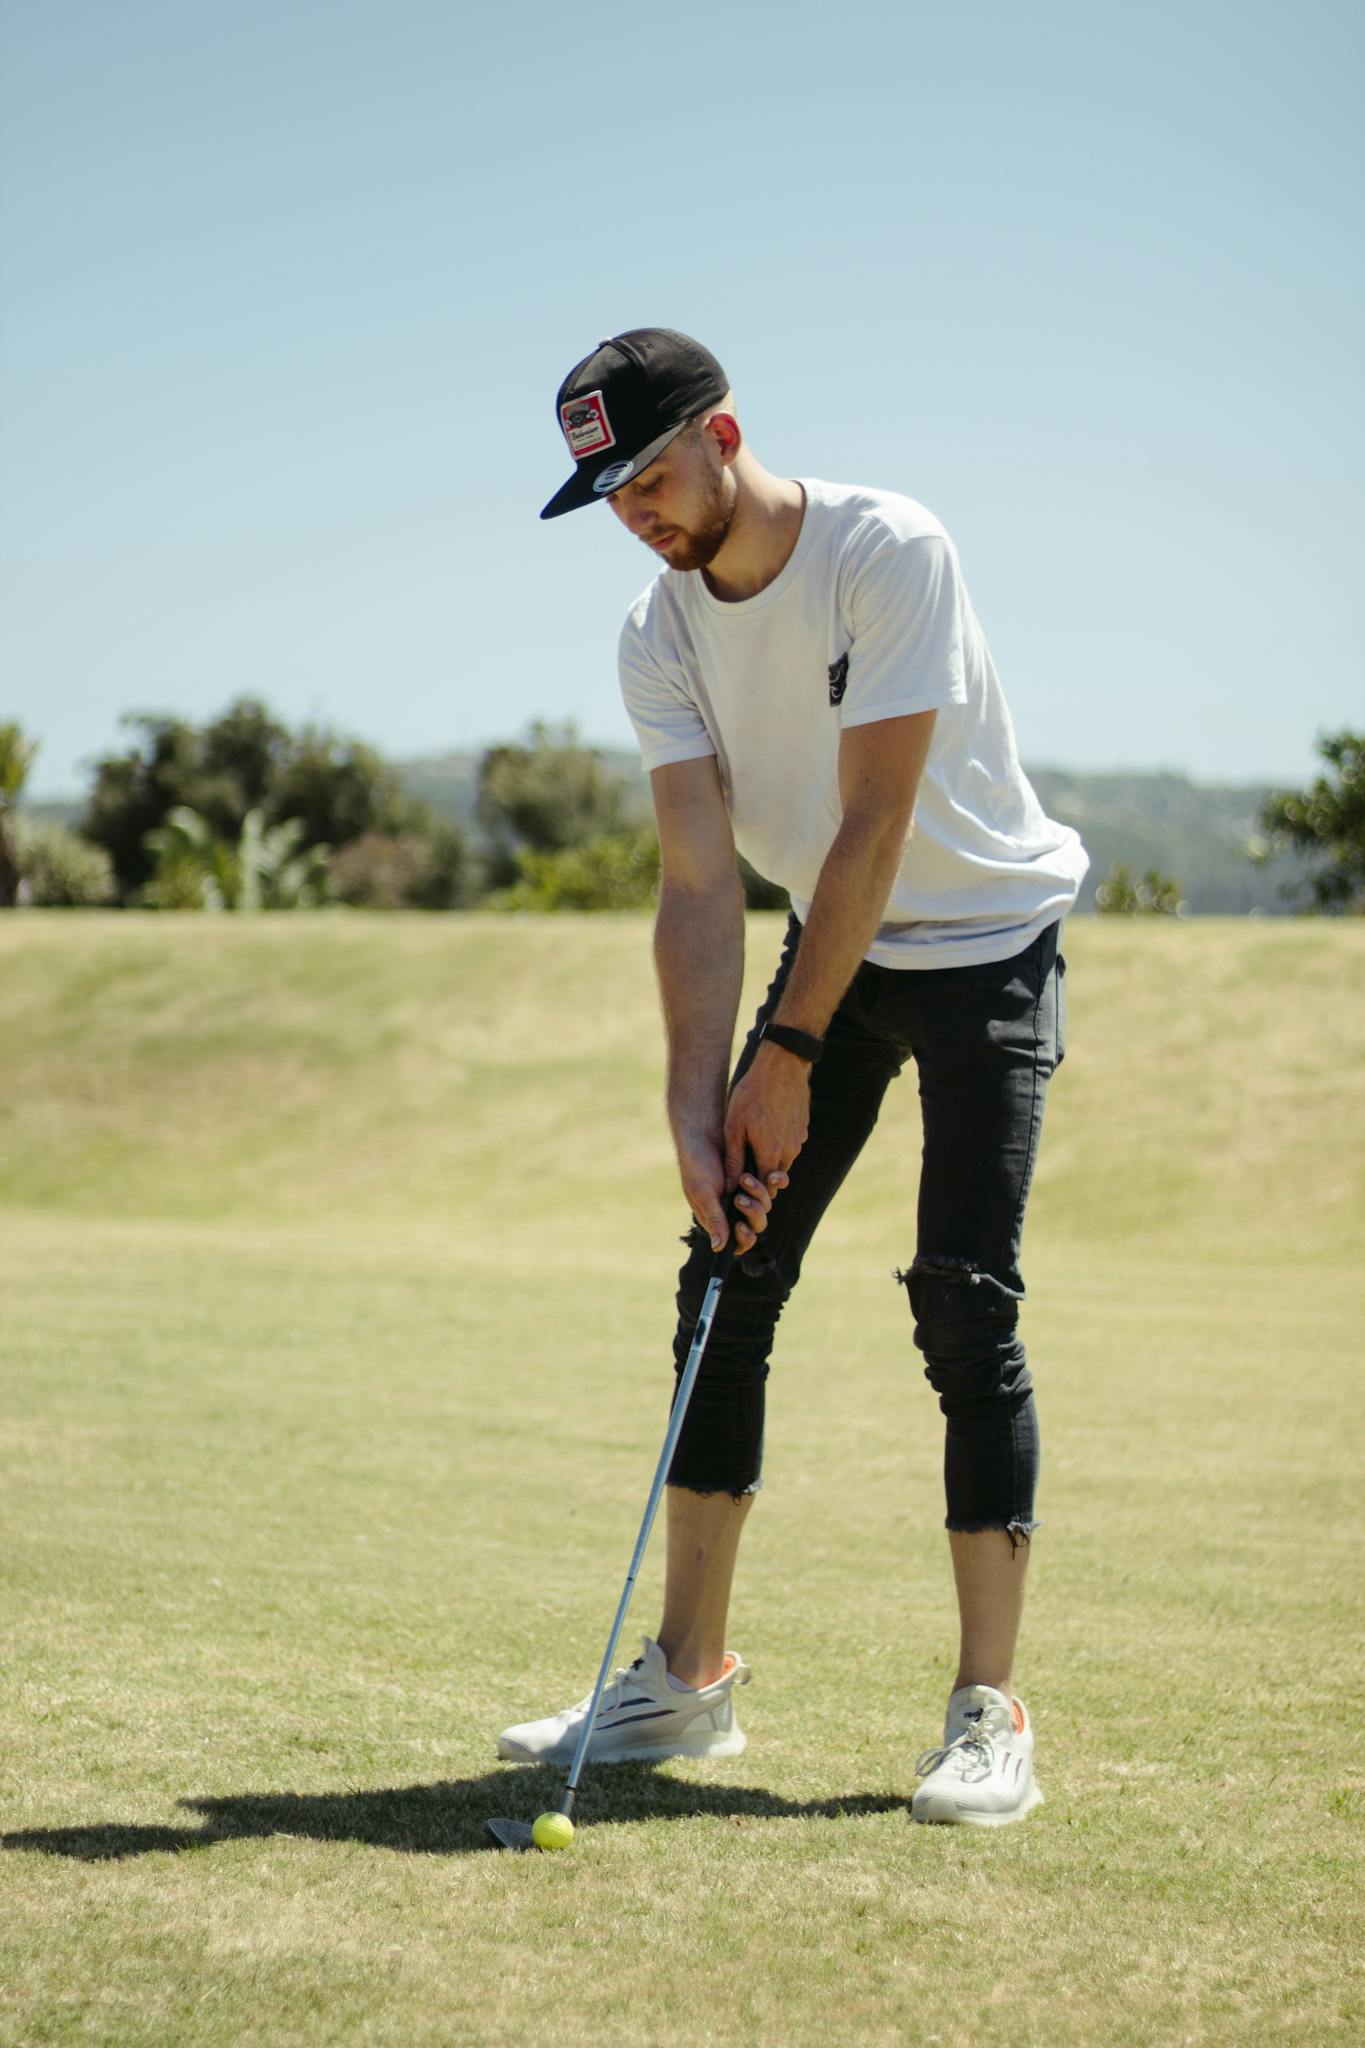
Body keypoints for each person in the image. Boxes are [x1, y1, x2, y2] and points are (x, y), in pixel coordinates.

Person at [498, 329, 1087, 1825]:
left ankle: (985, 1711)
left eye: (644, 470)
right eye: (605, 488)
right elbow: (698, 882)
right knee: (725, 1276)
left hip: (981, 946)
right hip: (836, 954)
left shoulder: (888, 549)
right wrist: (697, 1105)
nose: (631, 508)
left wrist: (790, 1054)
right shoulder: (655, 633)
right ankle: (687, 1682)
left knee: (964, 1297)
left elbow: (873, 824)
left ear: (722, 433)